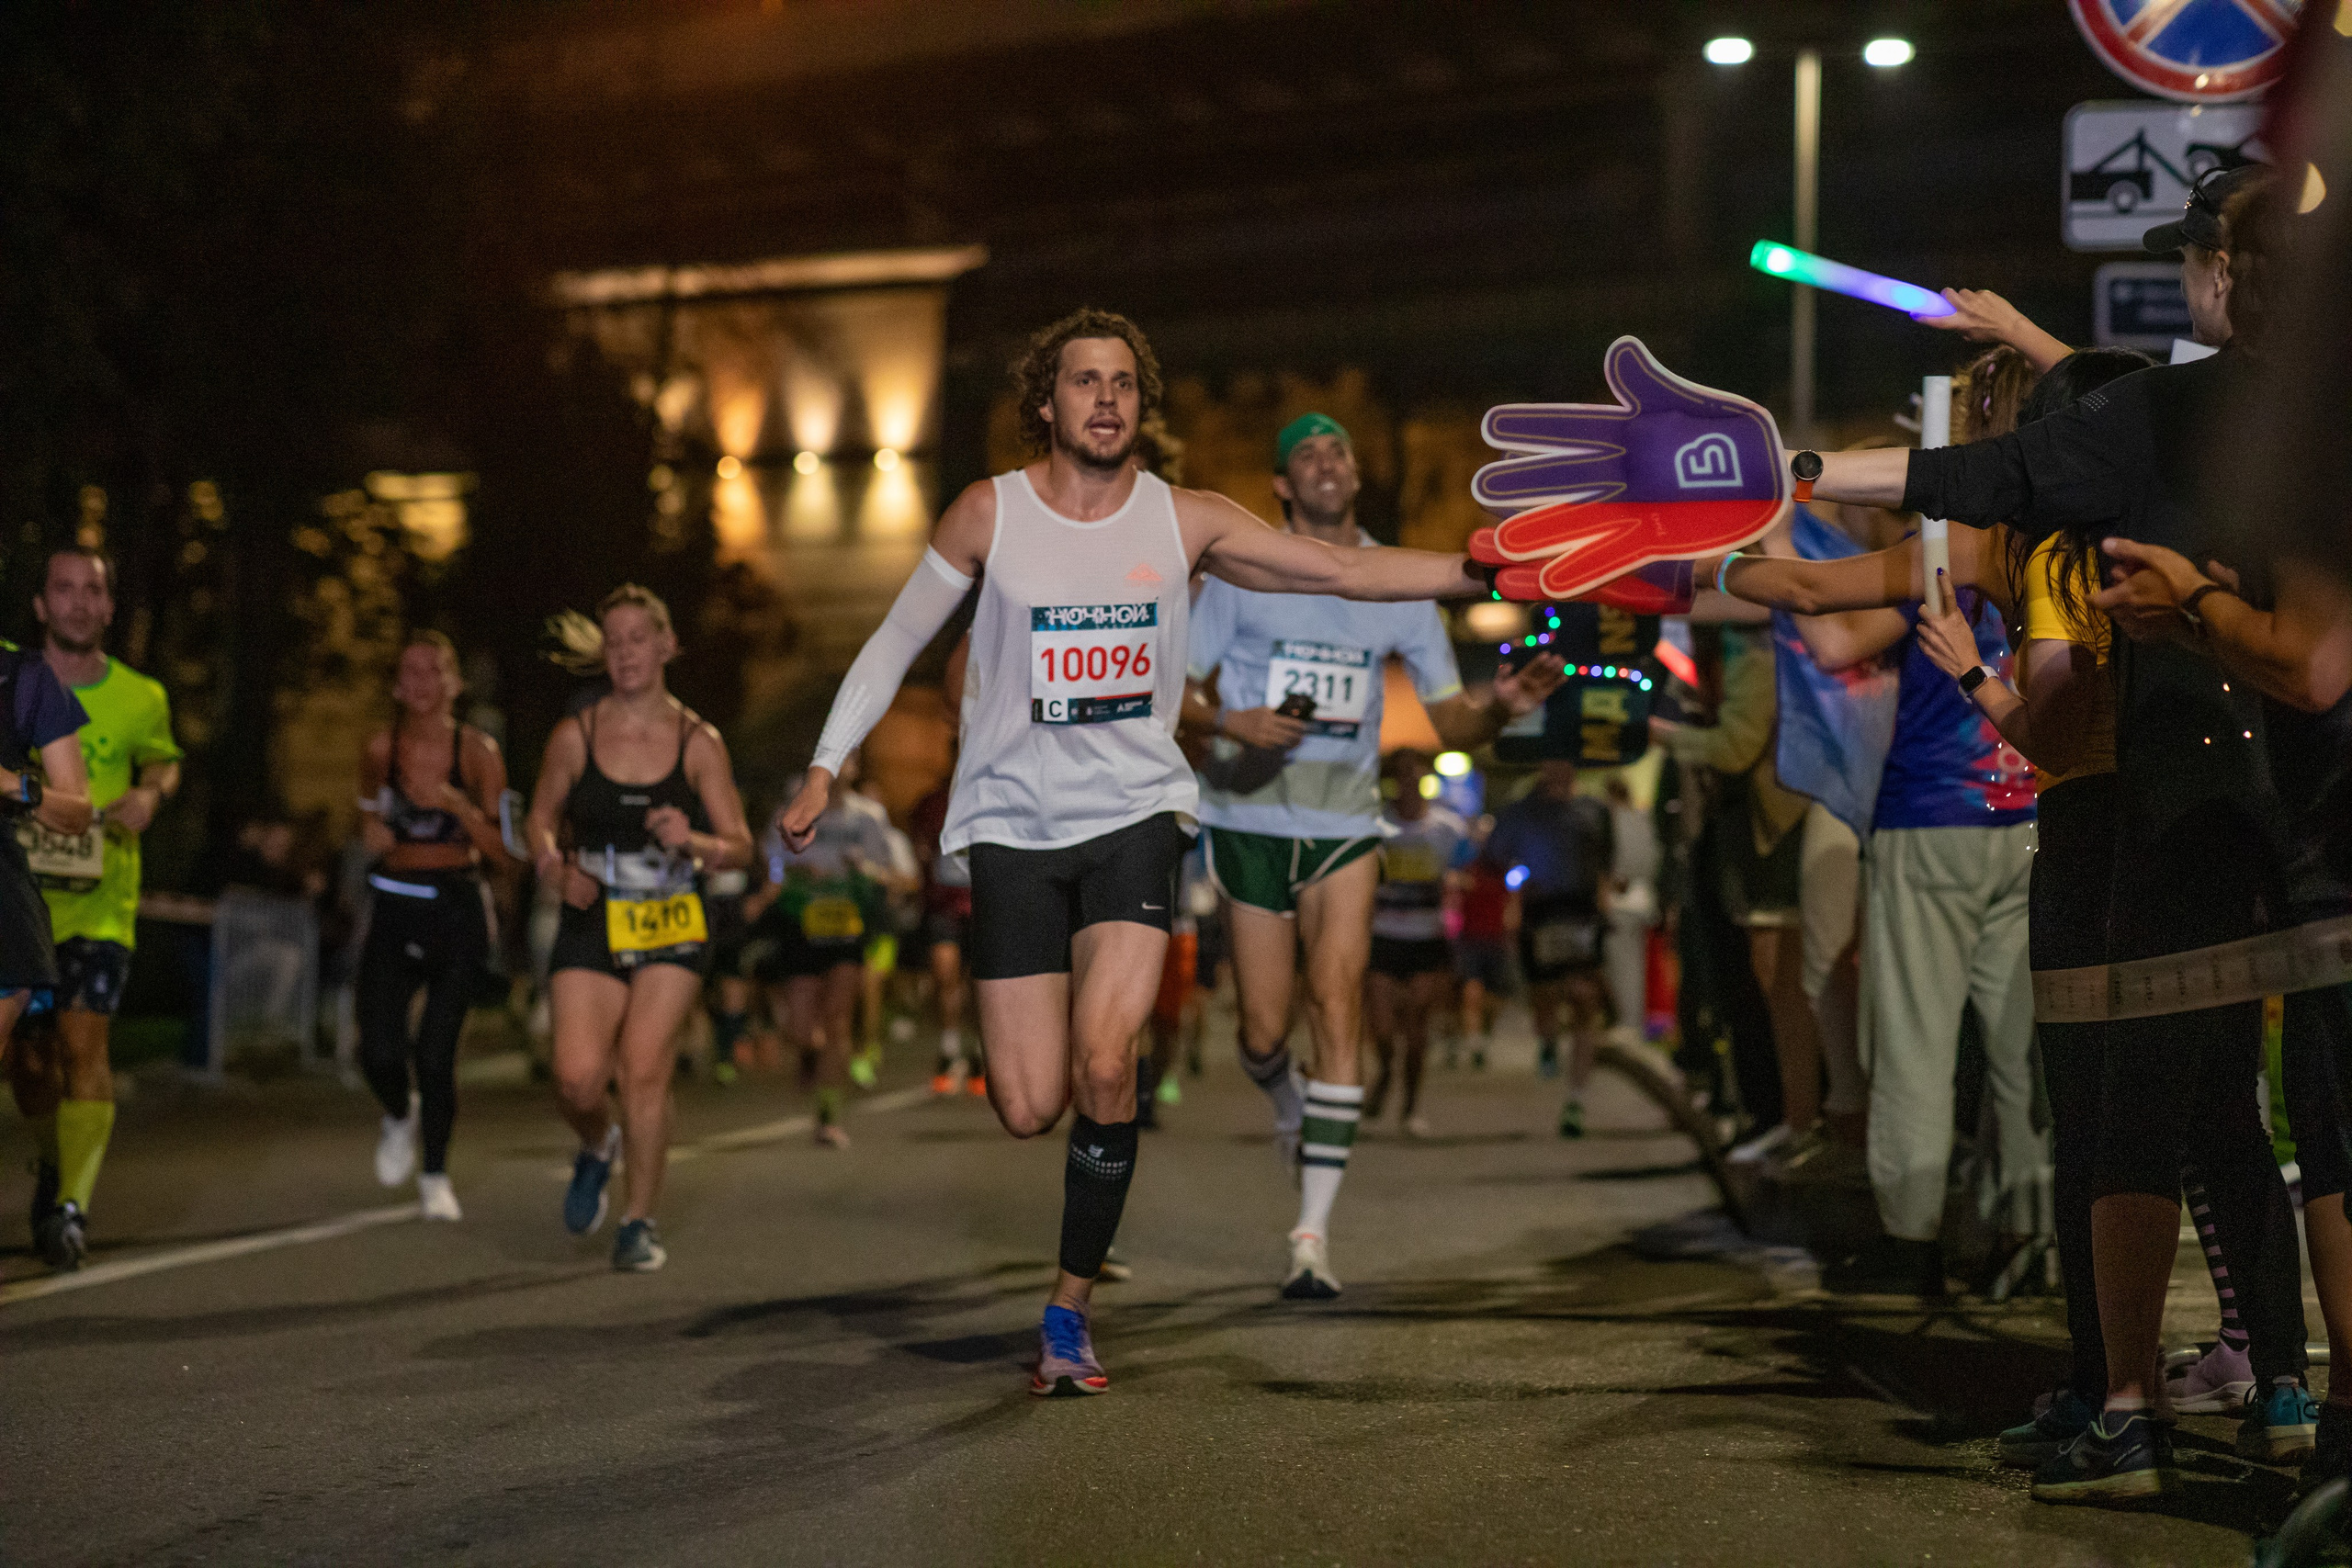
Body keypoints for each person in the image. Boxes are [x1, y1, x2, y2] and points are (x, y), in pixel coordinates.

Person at [781, 308, 1527, 1395]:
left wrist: (1499, 568)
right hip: (1010, 829)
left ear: (1141, 402)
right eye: (1084, 382)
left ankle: (1069, 1311)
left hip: (1136, 816)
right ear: (1047, 402)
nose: (1104, 399)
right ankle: (1077, 1222)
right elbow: (895, 640)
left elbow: (1343, 574)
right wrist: (821, 762)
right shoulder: (988, 514)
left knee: (1106, 1065)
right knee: (1030, 1102)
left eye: (1123, 383)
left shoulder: (1187, 521)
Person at [1781, 164, 2324, 1499]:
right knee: (2274, 1124)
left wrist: (1980, 666)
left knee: (2134, 1121)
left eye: (2234, 258)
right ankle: (2277, 1395)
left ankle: (2133, 1393)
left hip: (2152, 822)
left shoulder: (2101, 515)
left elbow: (2029, 501)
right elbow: (2041, 447)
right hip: (2269, 815)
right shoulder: (2211, 426)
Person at [1182, 411, 1563, 1301]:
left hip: (1346, 823)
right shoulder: (1242, 571)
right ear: (1280, 486)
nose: (1324, 461)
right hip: (1247, 817)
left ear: (1354, 478)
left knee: (1336, 1002)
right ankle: (1285, 1104)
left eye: (1338, 451)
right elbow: (1178, 690)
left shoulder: (1396, 583)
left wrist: (1499, 703)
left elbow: (1446, 719)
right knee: (1262, 1033)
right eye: (1304, 452)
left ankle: (1309, 1237)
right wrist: (1233, 721)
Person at [524, 585, 753, 1272]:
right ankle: (598, 1144)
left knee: (643, 1067)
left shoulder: (698, 742)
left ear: (666, 645)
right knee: (576, 1079)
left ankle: (638, 1220)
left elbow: (742, 846)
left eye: (636, 638)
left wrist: (699, 840)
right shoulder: (577, 734)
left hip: (671, 915)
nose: (624, 652)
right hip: (593, 914)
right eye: (613, 640)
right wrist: (550, 865)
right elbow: (538, 817)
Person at [5, 548, 140, 1269]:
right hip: (26, 901)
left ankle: (70, 1208)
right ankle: (54, 1155)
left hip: (98, 907)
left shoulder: (139, 695)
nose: (80, 602)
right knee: (28, 1066)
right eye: (65, 588)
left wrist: (155, 791)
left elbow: (158, 763)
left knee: (84, 1048)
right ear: (39, 603)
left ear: (110, 606)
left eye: (94, 589)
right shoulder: (20, 676)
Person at [353, 631, 510, 1221]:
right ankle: (398, 1114)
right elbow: (367, 814)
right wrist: (372, 833)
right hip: (396, 902)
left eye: (435, 671)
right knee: (378, 1050)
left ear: (455, 683)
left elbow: (504, 851)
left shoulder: (477, 753)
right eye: (410, 672)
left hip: (455, 905)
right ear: (397, 685)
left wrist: (457, 807)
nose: (422, 683)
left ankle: (436, 1175)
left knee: (436, 1053)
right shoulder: (379, 749)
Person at [757, 760, 896, 1147]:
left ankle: (828, 1116)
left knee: (836, 1021)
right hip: (801, 924)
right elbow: (772, 867)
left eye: (850, 759)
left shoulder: (867, 817)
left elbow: (887, 870)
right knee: (802, 1029)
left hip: (847, 926)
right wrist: (796, 875)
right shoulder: (790, 811)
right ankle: (809, 1055)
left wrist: (860, 869)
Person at [1483, 761, 1612, 1136]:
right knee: (1546, 995)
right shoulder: (1520, 812)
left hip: (1582, 912)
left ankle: (1576, 1098)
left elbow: (1605, 862)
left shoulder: (1592, 811)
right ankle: (1548, 1040)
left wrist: (1604, 907)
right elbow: (1494, 857)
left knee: (1584, 998)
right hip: (1539, 913)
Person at [1363, 749, 1471, 1137]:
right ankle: (1385, 1070)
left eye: (1418, 777)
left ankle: (1410, 1108)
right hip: (1383, 935)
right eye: (1402, 777)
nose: (1410, 785)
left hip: (1427, 937)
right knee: (1381, 1028)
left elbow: (1466, 870)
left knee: (1417, 1026)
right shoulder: (1374, 825)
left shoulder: (1447, 828)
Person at [910, 776, 982, 1098]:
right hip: (943, 906)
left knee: (981, 985)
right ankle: (948, 1050)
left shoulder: (992, 792)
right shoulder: (932, 804)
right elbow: (918, 847)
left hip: (984, 906)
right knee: (945, 976)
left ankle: (981, 1053)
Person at [1452, 836, 1510, 1070]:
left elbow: (1513, 903)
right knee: (1472, 993)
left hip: (1496, 941)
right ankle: (1473, 1043)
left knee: (1494, 1000)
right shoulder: (1467, 872)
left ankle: (1483, 1039)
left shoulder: (1505, 874)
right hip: (1471, 941)